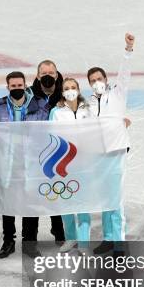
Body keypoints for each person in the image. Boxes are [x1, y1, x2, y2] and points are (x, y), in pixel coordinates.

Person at [86, 32, 135, 255]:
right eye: (93, 80)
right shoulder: (87, 105)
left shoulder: (116, 94)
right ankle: (108, 238)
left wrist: (128, 50)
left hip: (116, 151)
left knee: (116, 198)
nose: (97, 83)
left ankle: (119, 244)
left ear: (106, 80)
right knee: (105, 197)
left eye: (99, 79)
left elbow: (124, 74)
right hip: (98, 154)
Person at [0, 71, 48, 259]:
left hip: (32, 162)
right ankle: (8, 241)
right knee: (8, 203)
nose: (17, 89)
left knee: (31, 202)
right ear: (7, 87)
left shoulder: (40, 106)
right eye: (13, 86)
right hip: (8, 162)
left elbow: (50, 129)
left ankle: (30, 243)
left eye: (20, 85)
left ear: (25, 85)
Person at [49, 77, 92, 253]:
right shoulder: (56, 112)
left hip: (85, 162)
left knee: (83, 203)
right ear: (62, 92)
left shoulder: (88, 110)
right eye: (67, 88)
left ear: (79, 90)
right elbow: (51, 136)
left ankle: (84, 243)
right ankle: (71, 237)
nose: (70, 90)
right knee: (66, 201)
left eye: (73, 87)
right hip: (64, 163)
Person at [30, 59, 66, 245]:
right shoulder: (29, 95)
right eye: (43, 74)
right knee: (34, 196)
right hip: (35, 154)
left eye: (51, 74)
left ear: (57, 74)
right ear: (37, 76)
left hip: (60, 154)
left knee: (58, 193)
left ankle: (60, 233)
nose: (47, 77)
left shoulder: (65, 94)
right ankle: (30, 241)